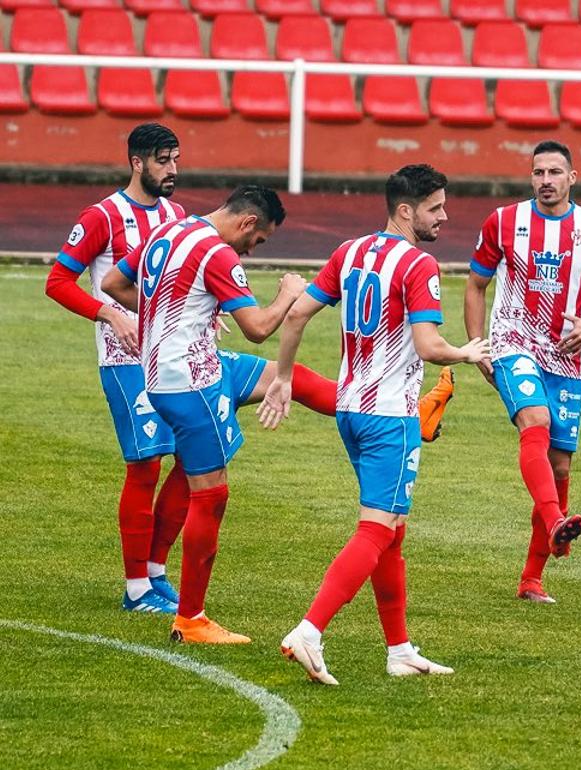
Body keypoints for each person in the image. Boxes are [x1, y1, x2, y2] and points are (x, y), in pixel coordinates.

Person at [259, 165, 489, 685]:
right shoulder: (419, 264)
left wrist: (285, 378)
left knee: (392, 532)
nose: (444, 216)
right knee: (376, 528)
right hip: (391, 417)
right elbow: (430, 347)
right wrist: (467, 352)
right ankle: (310, 630)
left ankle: (400, 649)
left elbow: (296, 315)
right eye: (435, 207)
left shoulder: (350, 252)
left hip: (350, 410)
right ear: (406, 211)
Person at [102, 185, 305, 644]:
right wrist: (288, 295)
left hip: (165, 376)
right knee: (210, 495)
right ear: (248, 223)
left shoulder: (170, 229)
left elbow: (113, 283)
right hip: (192, 382)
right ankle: (191, 619)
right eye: (260, 241)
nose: (254, 250)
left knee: (288, 379)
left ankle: (415, 409)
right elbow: (256, 328)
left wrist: (167, 314)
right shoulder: (218, 254)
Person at [464, 139, 581, 604]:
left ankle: (532, 579)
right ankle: (557, 520)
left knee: (559, 465)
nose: (546, 181)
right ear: (530, 176)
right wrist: (480, 347)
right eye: (538, 173)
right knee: (535, 421)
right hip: (515, 343)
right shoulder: (503, 222)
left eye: (555, 172)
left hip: (568, 356)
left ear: (572, 178)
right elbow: (476, 285)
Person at [44, 123, 189, 613]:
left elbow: (179, 278)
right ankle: (135, 591)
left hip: (174, 356)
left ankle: (155, 574)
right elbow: (59, 281)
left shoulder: (176, 215)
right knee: (146, 464)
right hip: (125, 360)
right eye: (164, 161)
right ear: (137, 162)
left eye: (175, 160)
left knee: (193, 460)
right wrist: (108, 312)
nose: (173, 170)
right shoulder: (103, 216)